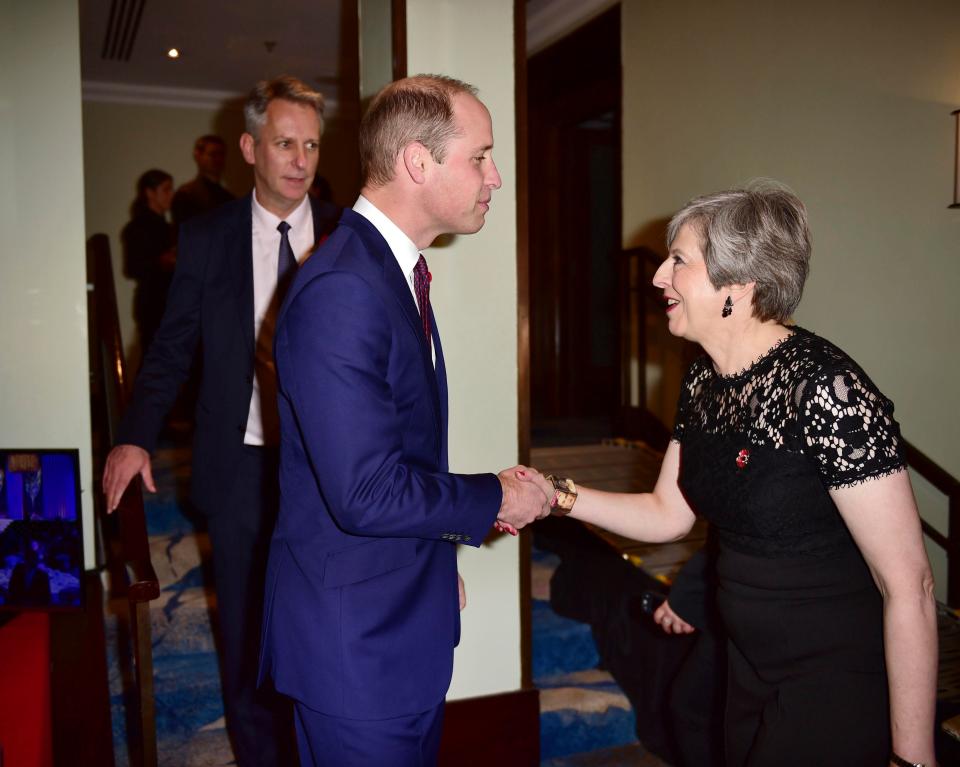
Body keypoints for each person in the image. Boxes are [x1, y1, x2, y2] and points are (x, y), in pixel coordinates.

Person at [522, 183, 938, 767]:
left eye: (679, 262)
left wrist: (913, 758)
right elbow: (667, 514)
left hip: (831, 675)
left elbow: (910, 585)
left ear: (737, 289)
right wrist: (555, 496)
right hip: (745, 664)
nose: (658, 277)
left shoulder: (825, 390)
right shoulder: (703, 384)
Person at [259, 74, 549, 767]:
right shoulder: (343, 289)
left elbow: (401, 449)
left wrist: (432, 555)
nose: (496, 176)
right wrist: (496, 495)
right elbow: (367, 490)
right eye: (479, 156)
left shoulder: (388, 272)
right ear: (419, 162)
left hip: (393, 622)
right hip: (355, 652)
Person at [102, 75, 341, 767]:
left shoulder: (345, 233)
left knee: (319, 628)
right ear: (250, 147)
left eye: (312, 145)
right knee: (244, 634)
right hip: (239, 465)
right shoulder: (206, 238)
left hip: (327, 470)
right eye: (285, 143)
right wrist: (133, 434)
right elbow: (172, 347)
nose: (300, 159)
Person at [122, 169, 176, 356]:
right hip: (153, 304)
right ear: (150, 193)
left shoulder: (170, 228)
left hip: (170, 304)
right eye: (166, 189)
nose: (171, 195)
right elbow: (132, 268)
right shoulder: (137, 228)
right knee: (154, 361)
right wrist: (162, 261)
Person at [171, 134, 234, 228]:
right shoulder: (186, 195)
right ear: (197, 156)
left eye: (221, 154)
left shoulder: (228, 197)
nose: (218, 159)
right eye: (212, 154)